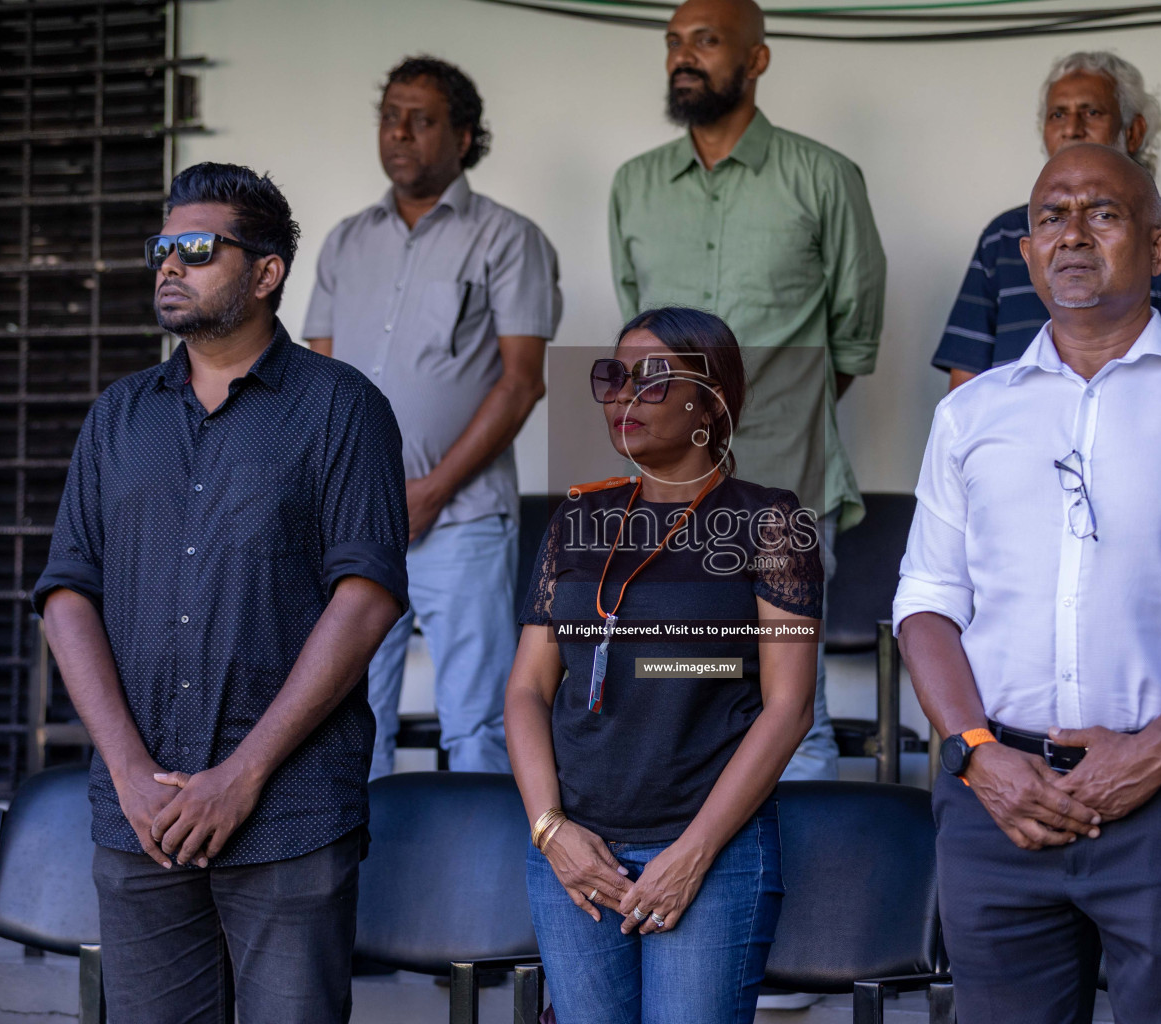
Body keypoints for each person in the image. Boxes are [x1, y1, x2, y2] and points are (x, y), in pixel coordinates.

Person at [897, 144, 1161, 1023]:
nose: (1074, 235)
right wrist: (977, 754)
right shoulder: (970, 416)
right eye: (1051, 216)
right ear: (1025, 253)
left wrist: (1153, 752)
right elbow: (927, 604)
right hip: (997, 801)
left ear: (1160, 249)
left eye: (1105, 213)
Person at [33, 163, 409, 1023]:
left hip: (289, 810)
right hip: (142, 821)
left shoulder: (342, 409)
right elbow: (67, 593)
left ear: (267, 272)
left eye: (196, 248)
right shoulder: (117, 416)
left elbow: (368, 597)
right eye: (161, 247)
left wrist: (242, 776)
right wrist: (129, 771)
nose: (169, 265)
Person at [507, 307, 822, 1024]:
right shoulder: (575, 520)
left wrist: (693, 853)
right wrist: (550, 829)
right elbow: (527, 690)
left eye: (651, 379)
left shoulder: (771, 522)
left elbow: (788, 708)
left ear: (711, 400)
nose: (622, 395)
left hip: (709, 850)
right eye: (612, 376)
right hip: (574, 850)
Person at [608, 0, 884, 785]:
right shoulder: (634, 186)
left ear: (756, 60)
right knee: (683, 685)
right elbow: (638, 332)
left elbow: (854, 334)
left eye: (705, 40)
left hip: (784, 480)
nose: (682, 56)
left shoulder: (825, 177)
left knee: (798, 706)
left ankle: (809, 894)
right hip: (663, 491)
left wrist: (758, 417)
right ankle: (699, 869)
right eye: (672, 42)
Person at [304, 56, 560, 777]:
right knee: (348, 721)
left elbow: (521, 383)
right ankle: (361, 890)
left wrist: (433, 489)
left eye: (421, 119)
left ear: (463, 135)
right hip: (353, 522)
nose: (400, 133)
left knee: (477, 723)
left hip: (462, 520)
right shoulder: (345, 241)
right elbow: (315, 385)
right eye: (390, 116)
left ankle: (476, 891)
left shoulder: (509, 239)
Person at [933, 51, 1161, 391]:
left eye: (1091, 112)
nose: (1071, 129)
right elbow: (965, 388)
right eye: (1058, 114)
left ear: (1134, 131)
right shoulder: (1002, 236)